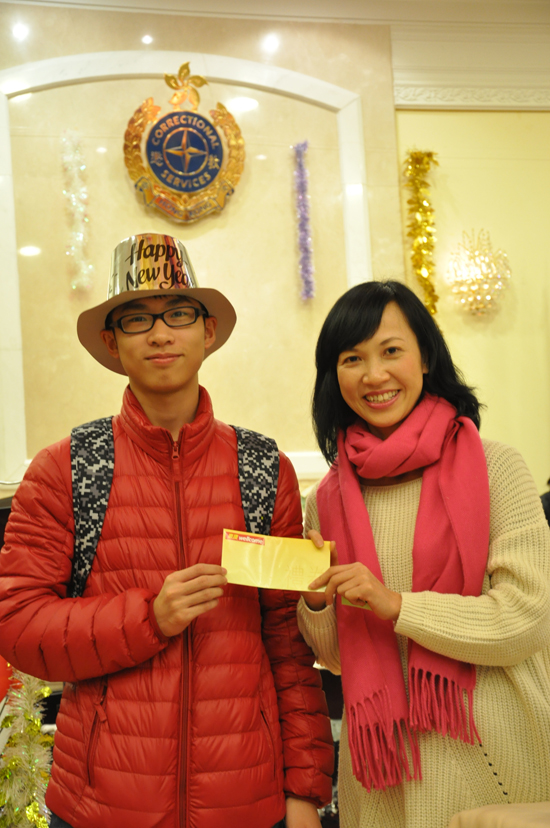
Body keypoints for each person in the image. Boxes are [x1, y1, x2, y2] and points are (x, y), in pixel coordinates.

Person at [0, 234, 333, 828]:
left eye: (178, 313)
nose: (160, 334)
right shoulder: (68, 467)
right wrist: (148, 617)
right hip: (100, 805)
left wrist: (305, 791)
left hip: (246, 800)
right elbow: (19, 627)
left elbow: (288, 646)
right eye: (137, 318)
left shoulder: (262, 467)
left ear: (207, 331)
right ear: (112, 341)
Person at [297, 280, 550, 828]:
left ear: (426, 357)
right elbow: (338, 659)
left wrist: (397, 606)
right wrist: (316, 603)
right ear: (333, 375)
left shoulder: (498, 468)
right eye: (352, 358)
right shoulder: (326, 501)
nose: (374, 375)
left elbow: (524, 621)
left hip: (497, 761)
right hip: (382, 780)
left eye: (391, 350)